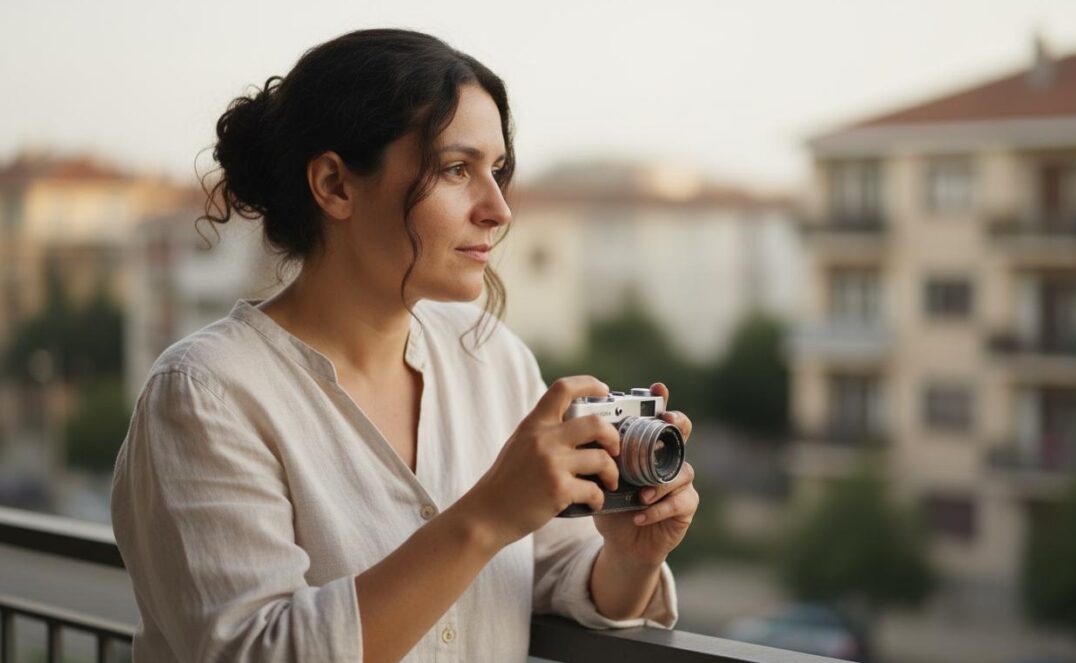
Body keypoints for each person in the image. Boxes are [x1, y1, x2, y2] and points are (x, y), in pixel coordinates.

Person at [110, 28, 699, 662]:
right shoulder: (207, 393)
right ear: (336, 185)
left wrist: (630, 556)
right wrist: (487, 516)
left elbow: (547, 574)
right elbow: (258, 651)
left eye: (497, 171)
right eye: (455, 170)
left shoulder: (493, 360)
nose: (498, 209)